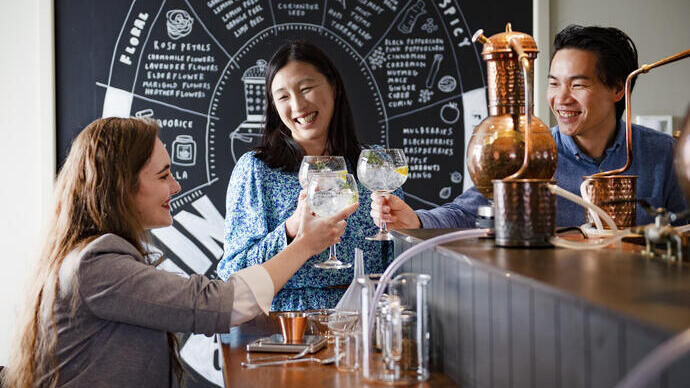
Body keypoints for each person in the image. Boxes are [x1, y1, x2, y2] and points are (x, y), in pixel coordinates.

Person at [1, 117, 355, 388]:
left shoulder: (90, 255)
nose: (176, 185)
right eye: (163, 175)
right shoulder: (96, 263)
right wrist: (304, 245)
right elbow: (220, 305)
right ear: (121, 186)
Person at [371, 25, 687, 229]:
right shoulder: (529, 152)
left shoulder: (665, 155)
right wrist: (415, 220)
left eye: (577, 85)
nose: (560, 99)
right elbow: (467, 212)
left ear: (618, 89)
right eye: (553, 84)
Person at [217, 41, 402, 311]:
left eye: (306, 89)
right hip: (283, 327)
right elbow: (233, 274)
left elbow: (399, 262)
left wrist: (406, 228)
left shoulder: (373, 166)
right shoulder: (256, 170)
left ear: (334, 87)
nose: (298, 105)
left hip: (364, 320)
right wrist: (291, 230)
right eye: (283, 97)